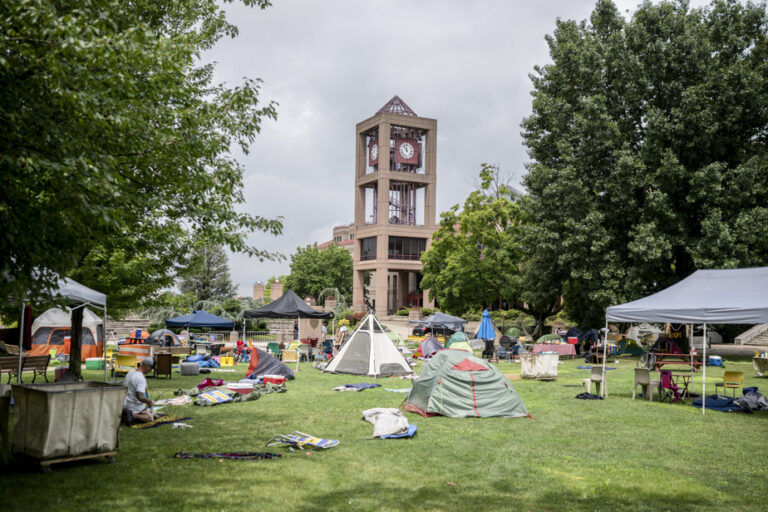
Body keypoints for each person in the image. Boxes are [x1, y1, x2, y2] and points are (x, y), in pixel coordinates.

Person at [122, 357, 155, 424]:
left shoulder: (130, 372)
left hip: (124, 403)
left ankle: (125, 415)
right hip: (134, 406)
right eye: (151, 369)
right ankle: (133, 415)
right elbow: (140, 397)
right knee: (150, 418)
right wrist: (149, 402)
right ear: (147, 367)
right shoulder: (141, 378)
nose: (150, 371)